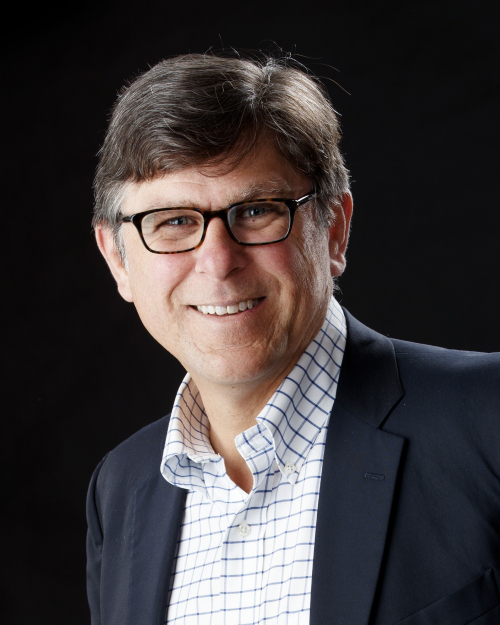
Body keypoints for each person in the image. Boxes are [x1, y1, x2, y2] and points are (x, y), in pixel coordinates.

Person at [88, 53, 500, 625]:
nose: (217, 262)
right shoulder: (122, 489)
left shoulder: (486, 420)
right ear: (118, 259)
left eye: (256, 210)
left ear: (334, 229)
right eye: (174, 221)